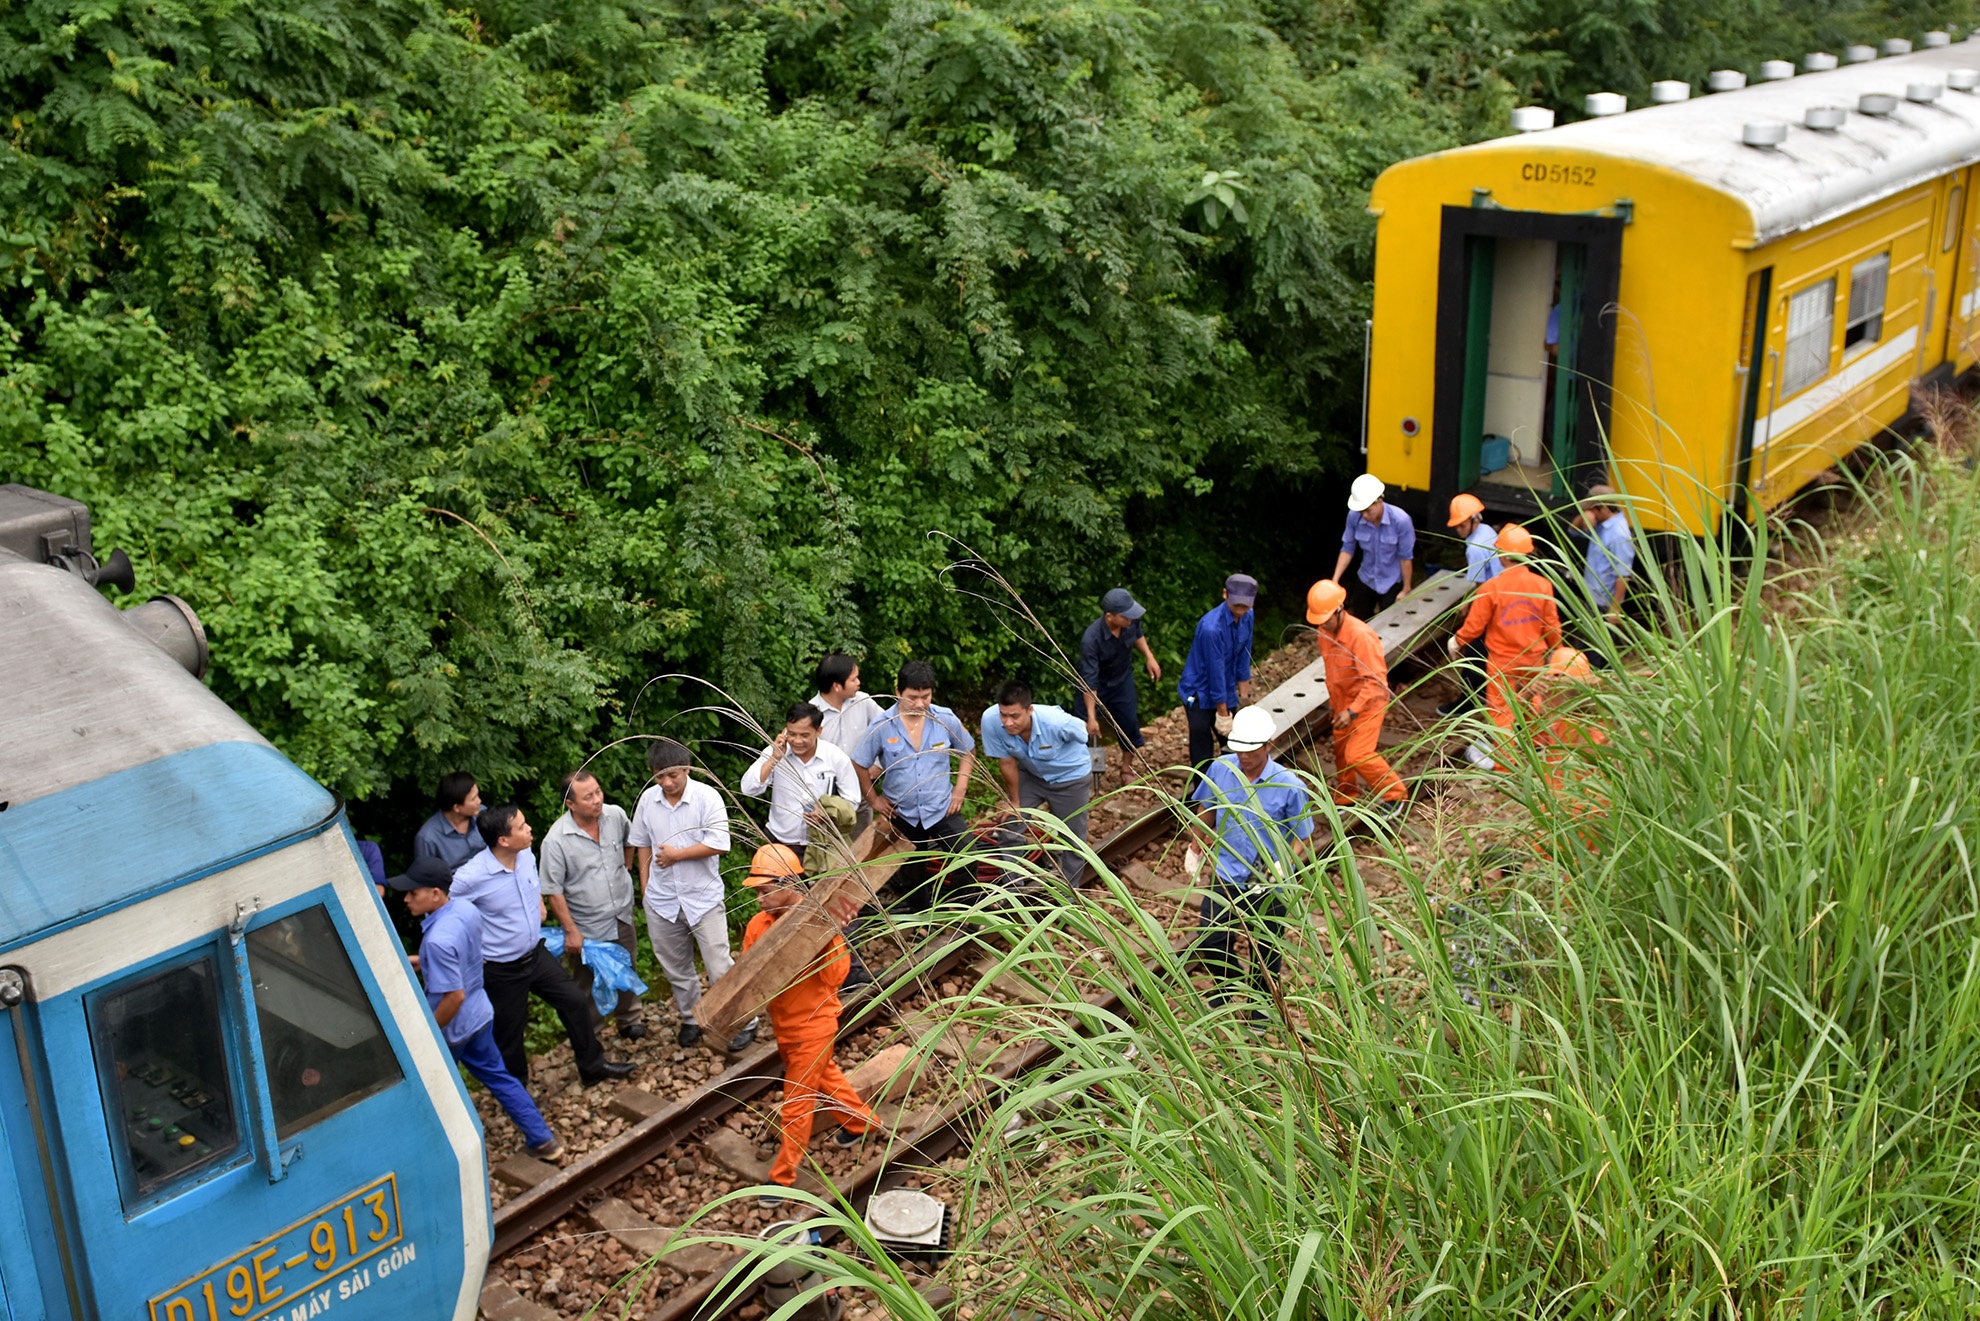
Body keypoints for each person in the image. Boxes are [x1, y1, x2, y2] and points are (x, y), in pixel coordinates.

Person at [393, 856, 562, 1160]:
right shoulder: (465, 910)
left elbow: (453, 996)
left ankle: (442, 1155)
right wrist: (419, 962)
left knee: (431, 1092)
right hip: (480, 1014)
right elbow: (467, 955)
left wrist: (429, 1034)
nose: (406, 899)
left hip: (453, 1029)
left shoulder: (436, 941)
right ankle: (543, 1140)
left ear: (435, 893)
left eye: (412, 892)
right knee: (500, 1077)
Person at [451, 803, 631, 1087]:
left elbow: (532, 886)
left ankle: (593, 1066)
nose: (529, 829)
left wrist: (537, 906)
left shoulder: (524, 856)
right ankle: (517, 1089)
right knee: (509, 1031)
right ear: (503, 840)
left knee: (574, 1002)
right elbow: (451, 917)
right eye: (522, 827)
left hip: (536, 955)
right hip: (501, 968)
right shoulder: (470, 877)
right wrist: (472, 953)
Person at [740, 844, 879, 1209]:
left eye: (764, 890)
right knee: (827, 1078)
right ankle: (861, 1123)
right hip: (783, 1026)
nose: (758, 899)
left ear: (790, 884)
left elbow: (838, 976)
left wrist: (827, 940)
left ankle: (783, 1176)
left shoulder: (819, 924)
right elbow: (749, 975)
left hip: (816, 1025)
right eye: (756, 891)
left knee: (797, 1100)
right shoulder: (759, 925)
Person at [1187, 707, 1313, 1032]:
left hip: (1268, 881)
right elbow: (1207, 810)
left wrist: (1282, 865)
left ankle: (1259, 1006)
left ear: (1269, 744)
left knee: (1266, 948)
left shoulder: (1289, 785)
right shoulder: (1221, 769)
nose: (1243, 756)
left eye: (1250, 750)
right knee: (1212, 937)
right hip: (1228, 872)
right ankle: (1227, 985)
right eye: (1238, 748)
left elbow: (1304, 839)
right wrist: (1195, 844)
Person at [629, 738, 753, 1052]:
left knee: (718, 964)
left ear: (686, 768)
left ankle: (742, 1019)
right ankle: (691, 1018)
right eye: (659, 776)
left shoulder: (706, 797)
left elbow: (719, 843)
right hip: (662, 900)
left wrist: (677, 856)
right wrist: (646, 888)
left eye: (673, 775)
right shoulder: (648, 800)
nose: (667, 782)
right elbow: (642, 842)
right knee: (675, 967)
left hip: (703, 897)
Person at [852, 660, 977, 912]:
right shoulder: (881, 725)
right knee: (912, 872)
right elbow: (859, 763)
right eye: (913, 697)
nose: (920, 704)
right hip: (903, 813)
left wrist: (960, 789)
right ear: (898, 692)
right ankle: (921, 919)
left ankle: (957, 910)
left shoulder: (945, 719)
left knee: (967, 855)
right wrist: (874, 799)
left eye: (925, 696)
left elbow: (968, 751)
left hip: (942, 806)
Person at [540, 770, 646, 1042]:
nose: (597, 800)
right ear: (571, 804)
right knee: (585, 982)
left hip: (620, 913)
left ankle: (629, 1020)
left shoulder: (615, 815)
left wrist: (627, 867)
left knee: (626, 967)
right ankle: (592, 1034)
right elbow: (553, 891)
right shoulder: (556, 840)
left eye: (598, 792)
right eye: (588, 797)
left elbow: (629, 841)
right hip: (586, 925)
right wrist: (571, 930)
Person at [1446, 523, 1562, 770]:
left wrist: (1457, 641)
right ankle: (1539, 746)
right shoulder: (1542, 586)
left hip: (1502, 662)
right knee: (1533, 702)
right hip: (1534, 659)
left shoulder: (1492, 588)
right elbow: (1552, 625)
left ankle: (1504, 765)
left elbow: (1474, 626)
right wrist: (1558, 651)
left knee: (1502, 712)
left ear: (1503, 556)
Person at [1305, 580, 1407, 817]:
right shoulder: (1324, 631)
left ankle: (1395, 794)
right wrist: (1337, 705)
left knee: (1358, 754)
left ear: (1340, 610)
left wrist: (1352, 711)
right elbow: (1333, 670)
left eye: (1326, 619)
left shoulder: (1360, 636)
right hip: (1342, 702)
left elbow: (1376, 681)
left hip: (1368, 703)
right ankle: (1346, 796)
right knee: (1342, 750)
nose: (1323, 625)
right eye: (1319, 621)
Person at [980, 680, 1096, 884]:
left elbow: (1083, 733)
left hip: (1070, 779)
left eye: (1014, 716)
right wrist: (1014, 802)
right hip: (1031, 776)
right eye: (1004, 715)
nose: (1008, 723)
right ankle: (1013, 888)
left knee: (1073, 839)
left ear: (1029, 710)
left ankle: (1070, 895)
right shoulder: (991, 721)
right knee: (1010, 823)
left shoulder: (1056, 722)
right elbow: (1006, 763)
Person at [741, 702, 864, 853]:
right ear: (785, 731)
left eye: (804, 735)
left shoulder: (836, 757)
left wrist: (827, 813)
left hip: (821, 847)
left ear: (819, 731)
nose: (797, 741)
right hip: (778, 843)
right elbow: (747, 789)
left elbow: (852, 801)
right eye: (792, 734)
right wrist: (773, 759)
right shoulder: (775, 752)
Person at [1177, 574, 1257, 771]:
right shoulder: (1211, 628)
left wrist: (1244, 698)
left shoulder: (1248, 616)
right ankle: (1202, 793)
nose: (1241, 610)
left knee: (1235, 743)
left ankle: (1233, 787)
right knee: (1202, 744)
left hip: (1226, 685)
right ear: (1225, 594)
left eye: (1245, 606)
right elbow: (1215, 672)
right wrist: (1222, 713)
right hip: (1199, 692)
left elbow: (1243, 657)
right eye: (1237, 605)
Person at [1437, 493, 1501, 717]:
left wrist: (1467, 606)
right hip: (1501, 597)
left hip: (1492, 603)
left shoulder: (1474, 547)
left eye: (1461, 525)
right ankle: (1482, 694)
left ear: (1474, 519)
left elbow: (1480, 586)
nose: (1458, 530)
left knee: (1475, 650)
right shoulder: (1488, 532)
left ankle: (1469, 701)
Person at [1077, 588, 1161, 753]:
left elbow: (1138, 635)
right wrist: (1092, 717)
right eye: (1125, 616)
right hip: (1096, 686)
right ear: (1110, 617)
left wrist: (1149, 656)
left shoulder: (1130, 621)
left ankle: (1127, 769)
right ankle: (1083, 772)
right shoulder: (1091, 640)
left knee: (1129, 723)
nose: (1131, 619)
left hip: (1122, 680)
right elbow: (1089, 681)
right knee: (1084, 728)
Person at [1330, 474, 1416, 620]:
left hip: (1392, 581)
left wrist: (1406, 588)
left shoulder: (1401, 521)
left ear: (1379, 501)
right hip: (1366, 578)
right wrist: (1335, 580)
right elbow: (1347, 548)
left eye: (1368, 511)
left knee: (1388, 625)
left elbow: (1405, 557)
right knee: (1361, 621)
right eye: (1361, 511)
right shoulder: (1354, 517)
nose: (1364, 515)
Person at [1570, 484, 1636, 669]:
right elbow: (1572, 530)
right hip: (1591, 597)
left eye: (1592, 510)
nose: (1590, 514)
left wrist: (1615, 608)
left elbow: (1622, 576)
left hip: (1603, 603)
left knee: (1597, 651)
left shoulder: (1618, 534)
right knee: (1584, 646)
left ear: (1604, 508)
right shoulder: (1602, 524)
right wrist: (1585, 516)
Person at [810, 654, 885, 755]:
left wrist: (877, 765)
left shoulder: (863, 701)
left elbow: (887, 727)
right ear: (836, 686)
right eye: (853, 680)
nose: (858, 682)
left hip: (864, 770)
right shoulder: (810, 712)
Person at [413, 772, 488, 873]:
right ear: (456, 808)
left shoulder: (483, 814)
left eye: (477, 795)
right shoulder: (428, 837)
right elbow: (425, 878)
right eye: (473, 799)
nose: (479, 801)